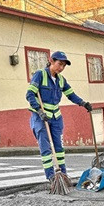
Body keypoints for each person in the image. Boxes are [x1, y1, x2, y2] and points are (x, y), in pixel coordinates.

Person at [26, 51, 93, 181]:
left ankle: (63, 175)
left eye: (63, 66)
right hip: (40, 117)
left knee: (59, 149)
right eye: (59, 64)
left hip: (56, 118)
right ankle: (51, 177)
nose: (61, 68)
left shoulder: (61, 80)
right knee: (46, 150)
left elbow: (71, 95)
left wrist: (83, 103)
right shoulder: (40, 75)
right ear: (51, 61)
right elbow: (30, 94)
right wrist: (39, 111)